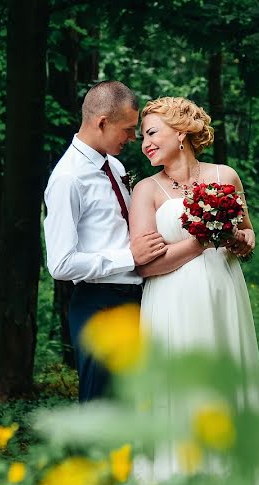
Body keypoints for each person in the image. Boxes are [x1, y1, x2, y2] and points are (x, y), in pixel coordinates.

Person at [128, 96, 259, 485]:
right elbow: (145, 266)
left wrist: (237, 239)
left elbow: (248, 236)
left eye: (152, 133)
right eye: (143, 136)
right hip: (170, 303)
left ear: (181, 133)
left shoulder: (225, 176)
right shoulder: (146, 191)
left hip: (222, 295)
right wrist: (200, 242)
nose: (145, 144)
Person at [44, 81, 167, 403]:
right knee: (101, 405)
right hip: (99, 304)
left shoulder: (114, 165)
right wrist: (130, 258)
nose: (133, 138)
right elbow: (60, 264)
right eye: (127, 130)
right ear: (101, 122)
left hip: (137, 299)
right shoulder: (68, 178)